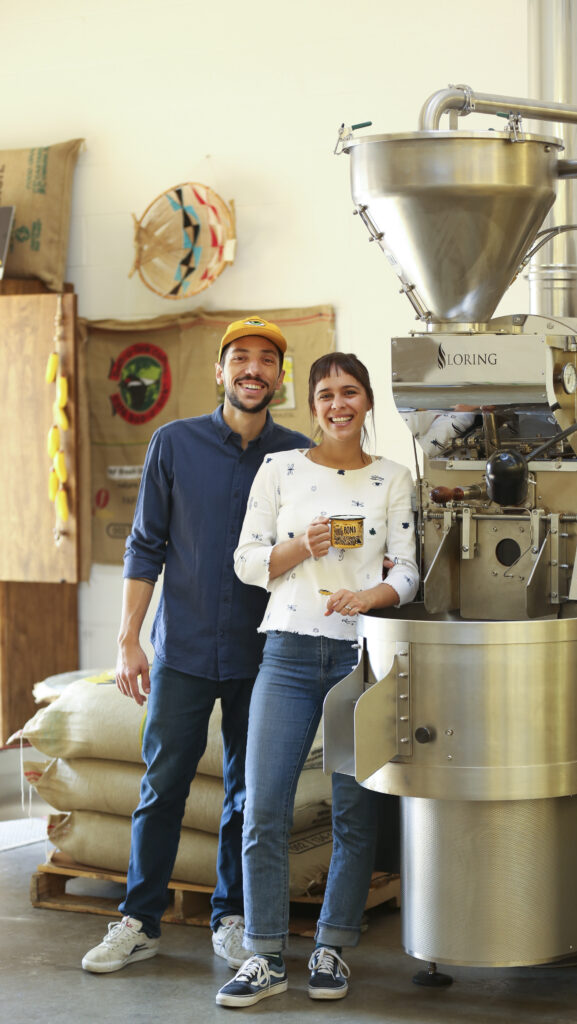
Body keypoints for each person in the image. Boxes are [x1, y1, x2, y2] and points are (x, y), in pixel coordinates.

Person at [81, 317, 312, 975]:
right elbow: (145, 545)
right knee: (163, 785)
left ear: (278, 378)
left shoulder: (296, 457)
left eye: (267, 360)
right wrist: (128, 640)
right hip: (181, 649)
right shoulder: (173, 444)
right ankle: (139, 920)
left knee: (249, 793)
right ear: (220, 372)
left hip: (263, 654)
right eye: (240, 357)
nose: (253, 369)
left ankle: (232, 918)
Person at [216, 352, 419, 1007]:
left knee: (354, 814)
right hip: (288, 654)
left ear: (366, 403)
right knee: (263, 808)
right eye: (327, 393)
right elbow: (248, 562)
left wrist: (372, 598)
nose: (339, 404)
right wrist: (302, 546)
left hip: (359, 661)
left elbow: (409, 572)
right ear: (311, 406)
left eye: (351, 392)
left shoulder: (393, 479)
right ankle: (266, 956)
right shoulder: (280, 470)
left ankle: (332, 947)